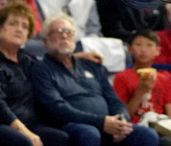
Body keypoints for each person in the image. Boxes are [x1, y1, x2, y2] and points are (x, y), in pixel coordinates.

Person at [31, 13, 158, 146]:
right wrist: (101, 122)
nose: (64, 36)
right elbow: (56, 109)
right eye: (57, 32)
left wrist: (121, 120)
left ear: (74, 38)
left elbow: (114, 100)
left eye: (68, 32)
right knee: (90, 133)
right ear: (45, 41)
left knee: (146, 134)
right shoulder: (41, 68)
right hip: (72, 125)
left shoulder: (92, 66)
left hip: (107, 124)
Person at [0, 1, 70, 146]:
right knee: (23, 141)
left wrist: (80, 56)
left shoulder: (28, 60)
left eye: (24, 26)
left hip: (29, 123)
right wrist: (23, 130)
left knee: (60, 138)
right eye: (13, 24)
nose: (19, 29)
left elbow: (53, 61)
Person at [112, 29, 171, 146]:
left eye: (149, 45)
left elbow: (170, 111)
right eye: (138, 45)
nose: (143, 49)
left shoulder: (165, 78)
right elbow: (124, 115)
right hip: (138, 126)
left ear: (158, 51)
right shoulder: (122, 77)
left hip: (162, 124)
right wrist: (141, 91)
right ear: (130, 49)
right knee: (166, 142)